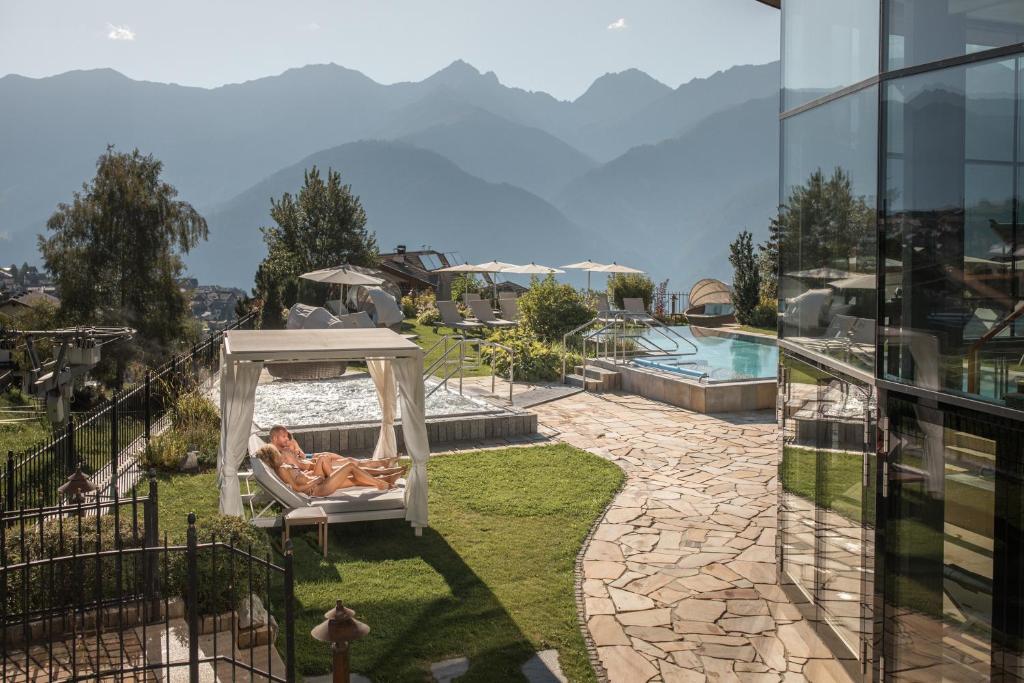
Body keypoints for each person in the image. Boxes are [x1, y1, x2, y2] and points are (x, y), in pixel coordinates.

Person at [255, 444, 394, 496]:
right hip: (317, 488)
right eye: (276, 453)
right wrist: (315, 480)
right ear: (273, 457)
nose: (279, 453)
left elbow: (298, 478)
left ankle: (385, 479)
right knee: (350, 467)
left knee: (351, 479)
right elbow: (296, 488)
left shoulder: (283, 467)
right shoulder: (282, 470)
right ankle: (380, 483)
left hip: (317, 481)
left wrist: (310, 474)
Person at [268, 425, 398, 473]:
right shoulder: (275, 452)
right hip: (313, 464)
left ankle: (382, 464)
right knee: (351, 462)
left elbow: (301, 456)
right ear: (274, 438)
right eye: (283, 436)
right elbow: (298, 466)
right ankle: (382, 465)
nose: (287, 438)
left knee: (349, 460)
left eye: (286, 436)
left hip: (311, 459)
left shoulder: (289, 444)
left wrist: (298, 453)